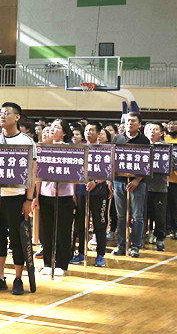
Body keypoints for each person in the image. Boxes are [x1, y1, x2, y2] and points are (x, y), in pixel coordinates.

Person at [0, 102, 37, 295]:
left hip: (17, 198)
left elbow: (32, 173)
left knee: (17, 239)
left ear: (17, 117)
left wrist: (29, 200)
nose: (2, 116)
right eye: (0, 113)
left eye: (6, 113)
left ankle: (18, 278)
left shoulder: (27, 141)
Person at [34, 119, 75, 275]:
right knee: (46, 231)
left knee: (63, 231)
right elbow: (38, 174)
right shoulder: (43, 149)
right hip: (45, 195)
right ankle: (48, 263)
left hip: (64, 195)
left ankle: (62, 264)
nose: (52, 129)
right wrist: (36, 196)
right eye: (51, 127)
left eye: (56, 127)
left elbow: (76, 174)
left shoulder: (70, 150)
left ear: (64, 132)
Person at [111, 112, 148, 258]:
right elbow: (111, 160)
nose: (130, 123)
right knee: (121, 216)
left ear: (139, 124)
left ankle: (135, 245)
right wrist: (110, 180)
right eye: (127, 121)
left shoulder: (144, 140)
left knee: (137, 216)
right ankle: (121, 244)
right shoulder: (117, 138)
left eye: (133, 121)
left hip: (137, 183)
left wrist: (137, 180)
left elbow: (147, 164)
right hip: (118, 182)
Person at [79, 122, 109, 267]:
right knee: (80, 224)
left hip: (99, 192)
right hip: (81, 191)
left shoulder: (104, 150)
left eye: (91, 130)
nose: (88, 132)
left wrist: (96, 182)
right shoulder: (80, 148)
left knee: (99, 223)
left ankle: (100, 255)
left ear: (98, 134)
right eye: (86, 130)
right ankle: (80, 253)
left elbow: (109, 170)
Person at [144, 123, 168, 251]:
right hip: (143, 186)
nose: (152, 131)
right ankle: (141, 238)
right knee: (142, 214)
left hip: (160, 186)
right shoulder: (142, 146)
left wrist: (161, 151)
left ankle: (159, 239)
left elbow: (173, 163)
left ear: (161, 133)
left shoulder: (166, 147)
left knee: (159, 216)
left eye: (155, 129)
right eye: (149, 129)